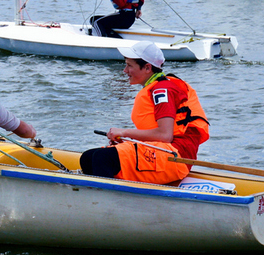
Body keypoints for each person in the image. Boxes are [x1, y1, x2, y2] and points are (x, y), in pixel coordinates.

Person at [79, 41, 209, 185]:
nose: (125, 70)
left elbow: (164, 135)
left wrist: (124, 132)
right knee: (88, 158)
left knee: (102, 158)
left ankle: (106, 202)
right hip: (166, 151)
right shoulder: (159, 87)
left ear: (147, 67)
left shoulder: (162, 90)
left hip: (176, 156)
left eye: (129, 65)